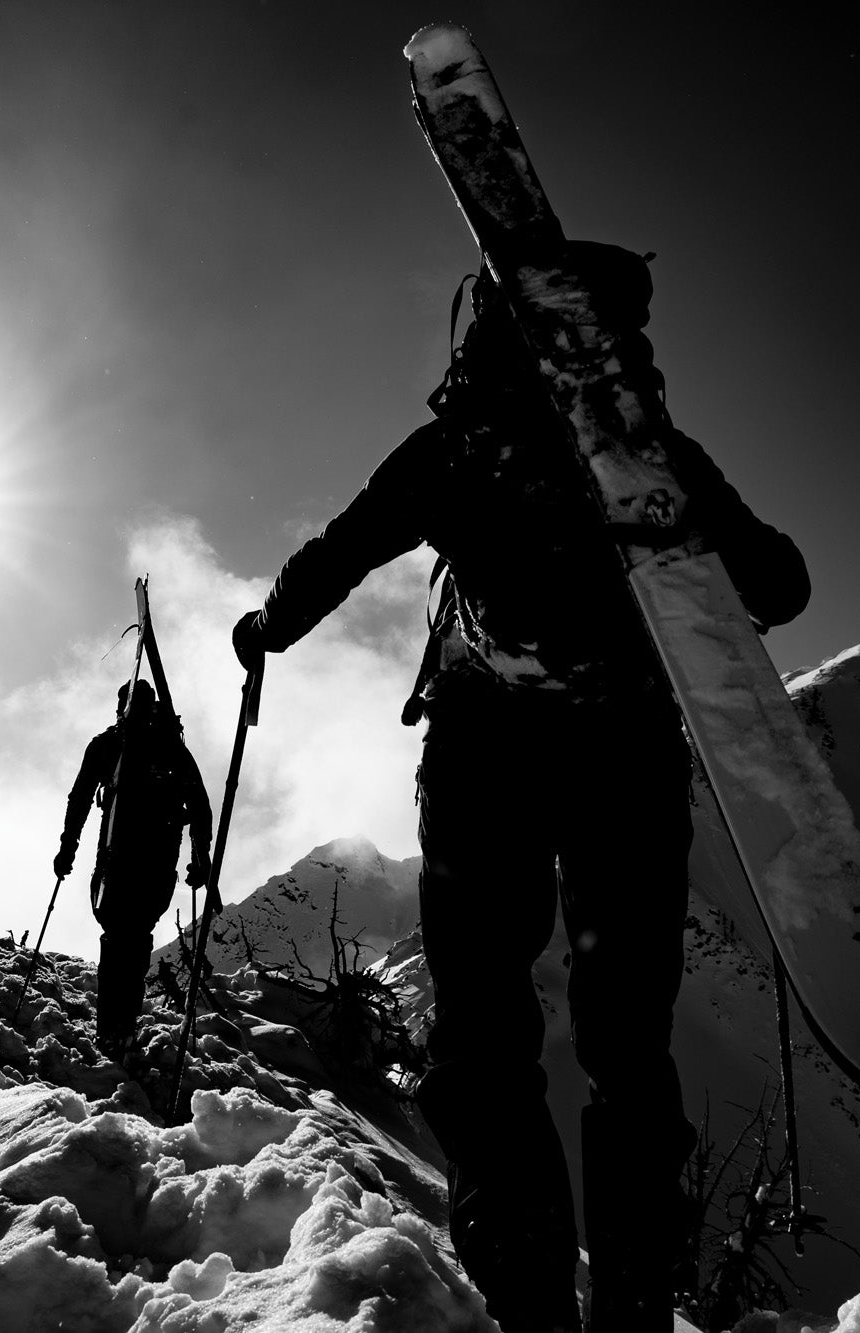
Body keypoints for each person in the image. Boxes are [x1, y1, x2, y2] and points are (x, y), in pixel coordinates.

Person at [229, 245, 810, 1333]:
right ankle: (634, 1301)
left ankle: (531, 1295)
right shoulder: (649, 452)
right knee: (628, 1048)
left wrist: (265, 628)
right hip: (625, 758)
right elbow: (778, 585)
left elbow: (339, 552)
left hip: (482, 755)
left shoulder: (455, 443)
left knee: (482, 1034)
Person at [57, 678, 213, 1060]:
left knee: (116, 938)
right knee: (136, 938)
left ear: (121, 708)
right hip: (157, 864)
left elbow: (80, 798)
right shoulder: (171, 748)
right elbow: (200, 806)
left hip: (116, 861)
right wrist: (200, 858)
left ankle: (111, 1032)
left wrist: (67, 847)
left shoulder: (109, 744)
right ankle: (123, 1029)